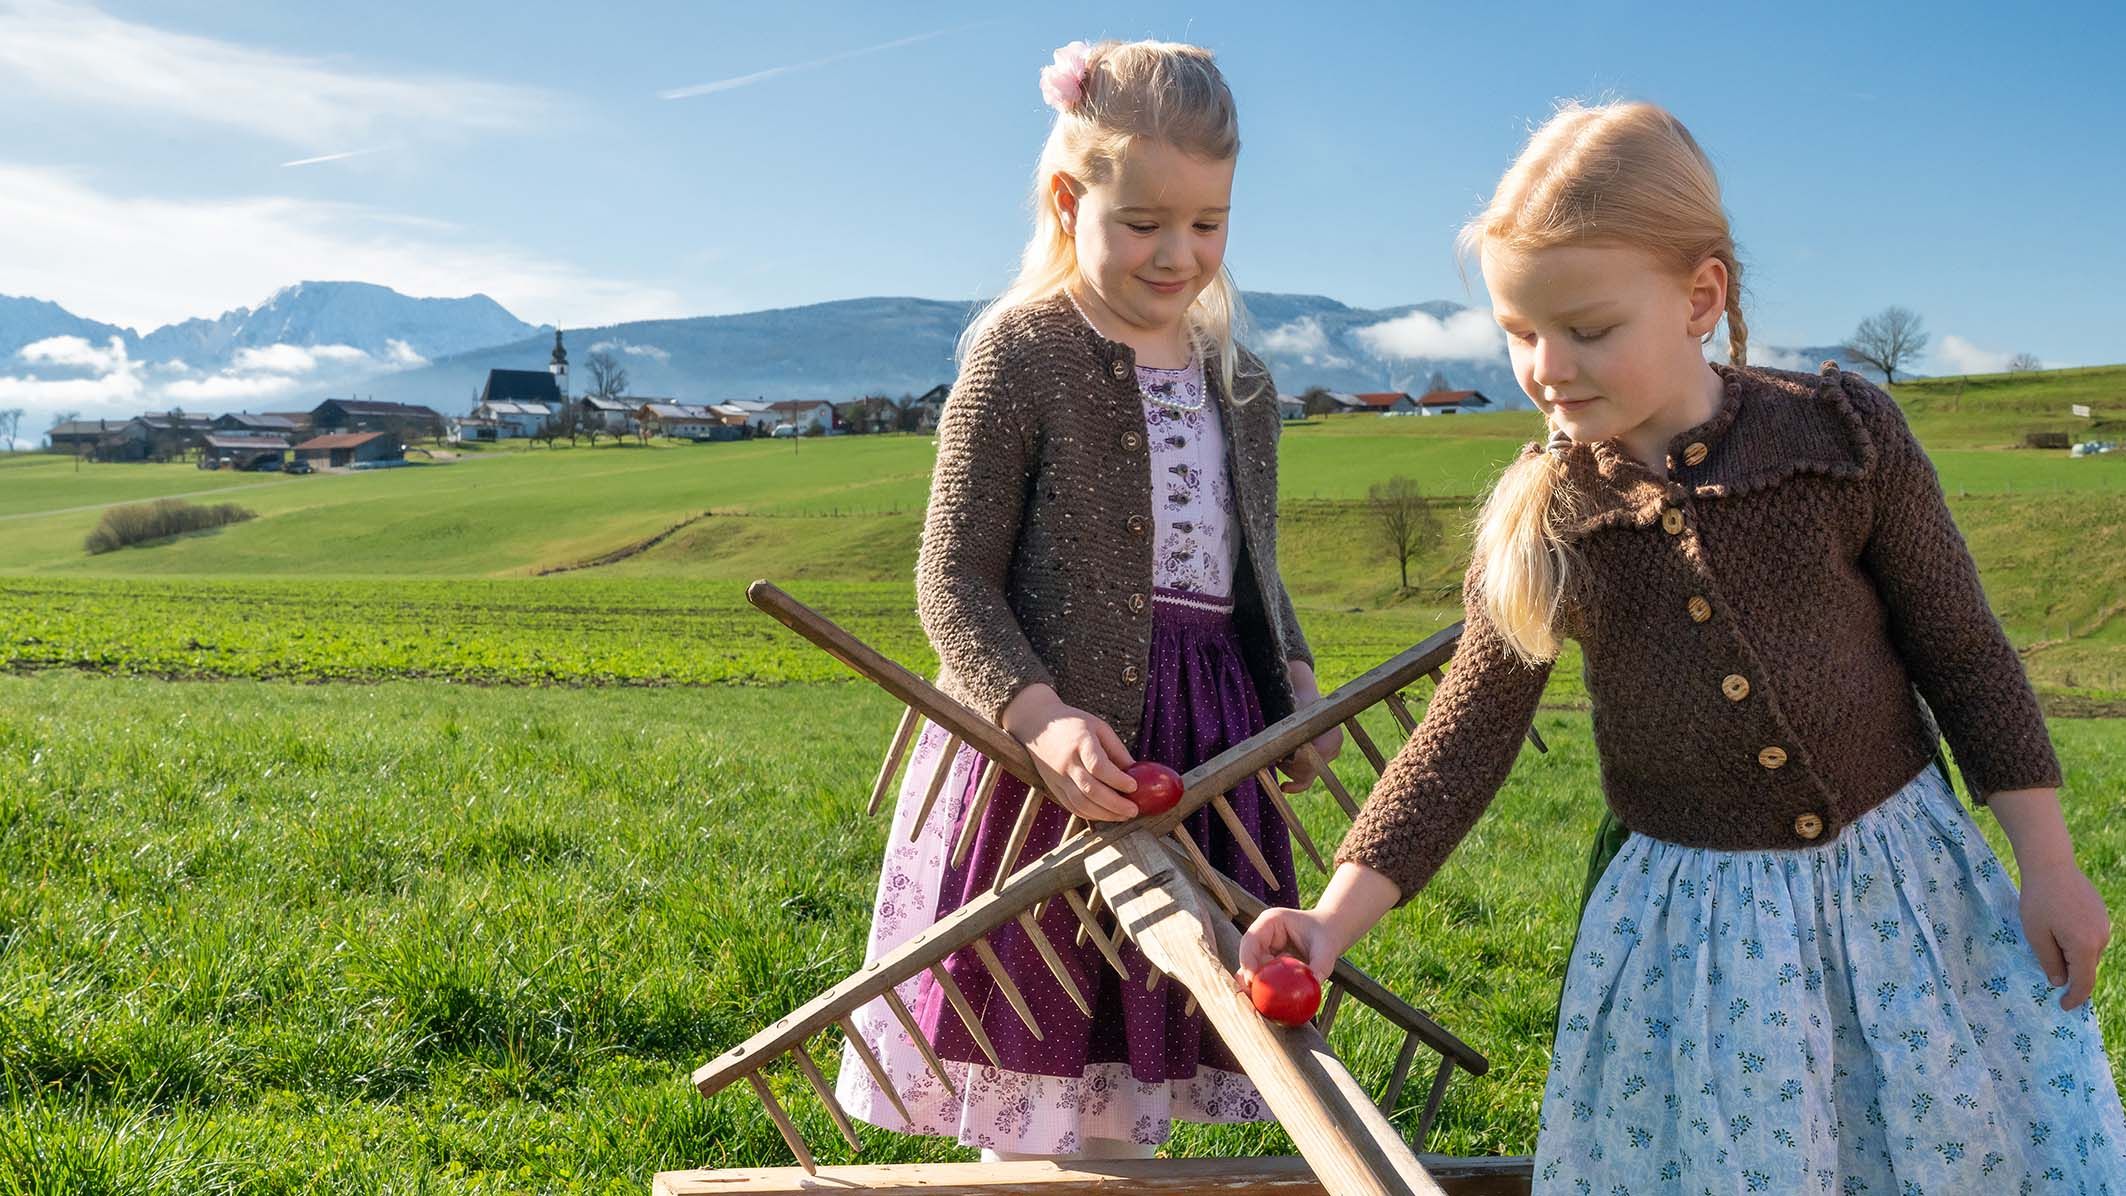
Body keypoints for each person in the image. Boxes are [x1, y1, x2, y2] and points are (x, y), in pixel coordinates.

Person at [1239, 99, 2124, 1191]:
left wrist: (2046, 863)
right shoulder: (1546, 517)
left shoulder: (1841, 438)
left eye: (1587, 329)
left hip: (1897, 892)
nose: (1546, 365)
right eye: (1518, 332)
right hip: (1698, 941)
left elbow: (1965, 652)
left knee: (1944, 1144)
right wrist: (1328, 920)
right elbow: (1466, 732)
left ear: (1700, 296)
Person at [834, 38, 1341, 1160]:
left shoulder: (1240, 381)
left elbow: (1254, 565)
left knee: (1141, 1062)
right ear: (1070, 200)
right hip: (1053, 758)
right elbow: (951, 577)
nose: (1179, 252)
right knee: (1041, 1048)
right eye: (1144, 221)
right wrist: (1038, 715)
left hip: (1203, 750)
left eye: (1206, 223)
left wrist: (1292, 687)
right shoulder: (1021, 353)